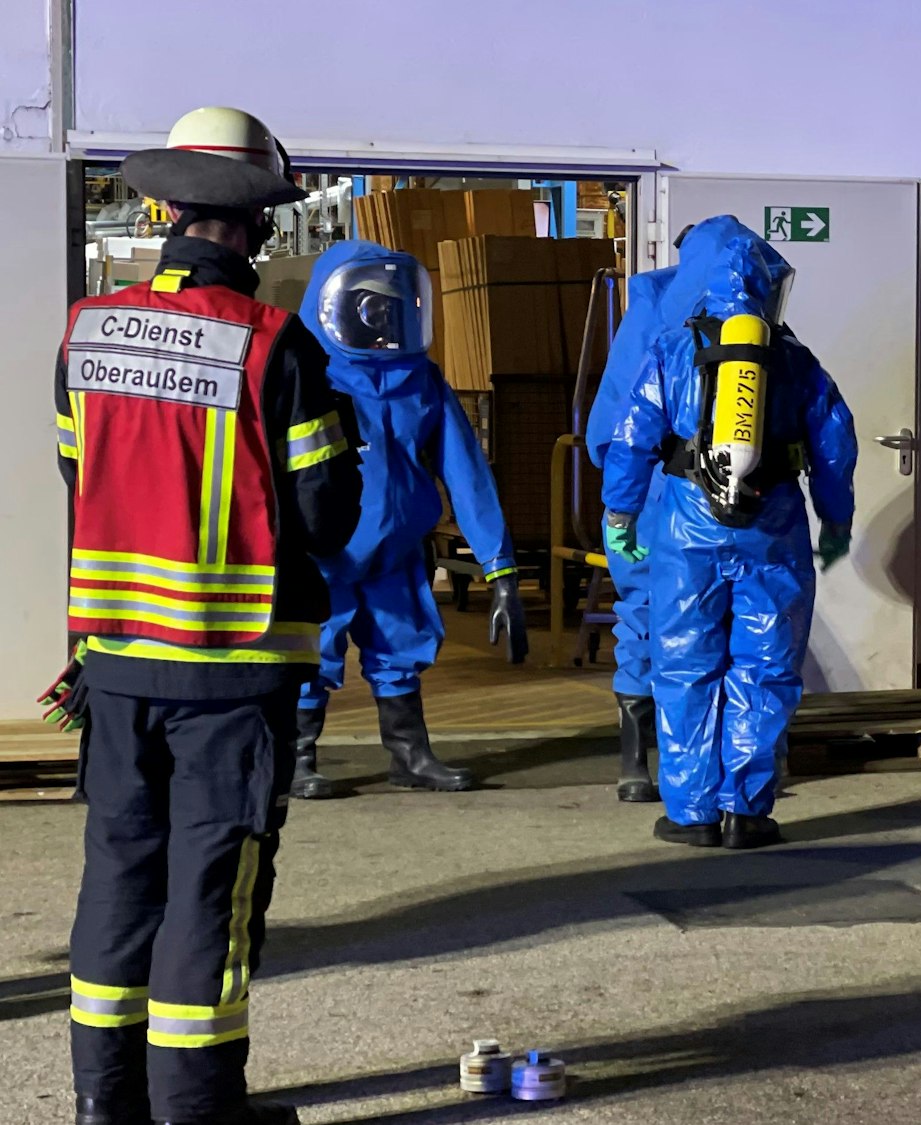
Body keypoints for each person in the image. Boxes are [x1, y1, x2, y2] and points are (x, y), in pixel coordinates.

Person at [58, 107, 362, 1125]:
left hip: (113, 663)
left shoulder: (87, 330)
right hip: (231, 669)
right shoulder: (277, 346)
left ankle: (106, 1105)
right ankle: (197, 1109)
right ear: (260, 222)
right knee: (210, 892)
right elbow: (326, 510)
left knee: (118, 873)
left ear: (169, 207)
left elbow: (78, 468)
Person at [601, 215, 856, 850]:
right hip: (771, 527)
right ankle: (747, 810)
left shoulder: (669, 350)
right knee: (765, 667)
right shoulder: (793, 360)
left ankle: (690, 812)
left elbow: (632, 440)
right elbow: (835, 446)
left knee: (686, 665)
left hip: (688, 526)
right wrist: (836, 524)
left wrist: (620, 514)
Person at [289, 240, 528, 798]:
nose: (380, 317)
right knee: (310, 652)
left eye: (391, 305)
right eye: (368, 305)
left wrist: (501, 568)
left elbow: (466, 471)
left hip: (396, 548)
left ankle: (410, 756)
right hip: (324, 550)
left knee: (402, 645)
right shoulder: (306, 375)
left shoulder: (420, 379)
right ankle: (296, 758)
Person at [583, 224, 705, 804]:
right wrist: (624, 506)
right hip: (667, 495)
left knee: (663, 620)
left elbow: (610, 426)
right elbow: (618, 424)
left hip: (679, 495)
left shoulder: (662, 305)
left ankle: (660, 762)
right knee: (659, 618)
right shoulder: (661, 307)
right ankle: (645, 756)